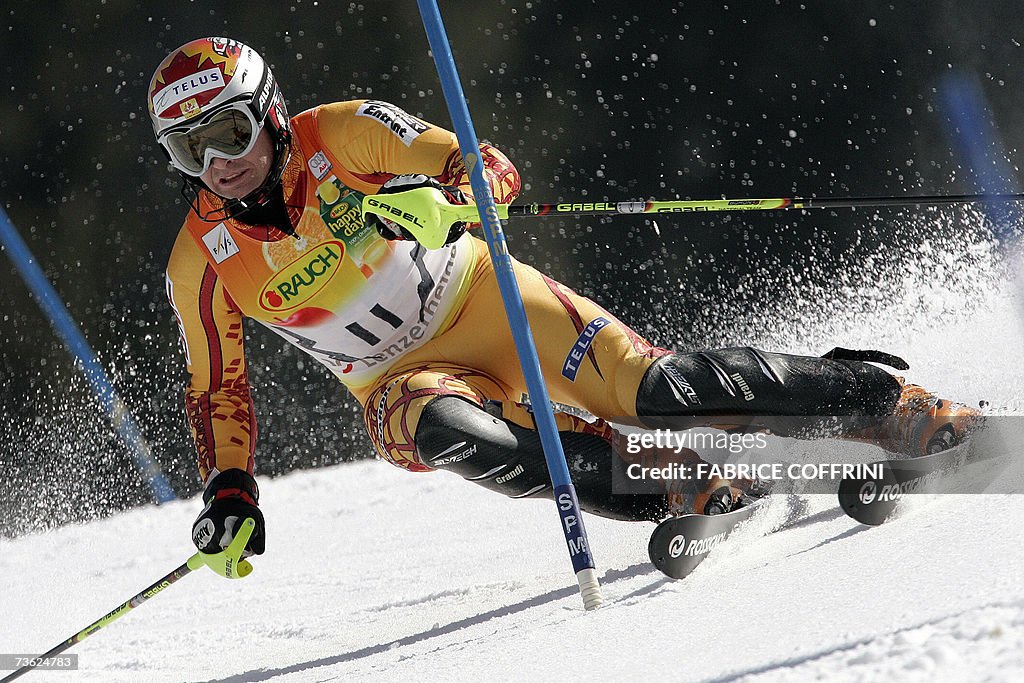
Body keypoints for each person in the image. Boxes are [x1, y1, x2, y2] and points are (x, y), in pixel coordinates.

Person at [148, 37, 979, 559]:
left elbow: (484, 167)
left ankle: (889, 405)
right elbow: (218, 389)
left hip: (480, 297)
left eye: (227, 131)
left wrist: (454, 199)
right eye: (190, 152)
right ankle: (681, 484)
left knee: (652, 389)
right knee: (453, 433)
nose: (217, 163)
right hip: (396, 384)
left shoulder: (344, 132)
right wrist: (231, 489)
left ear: (270, 113)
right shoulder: (201, 261)